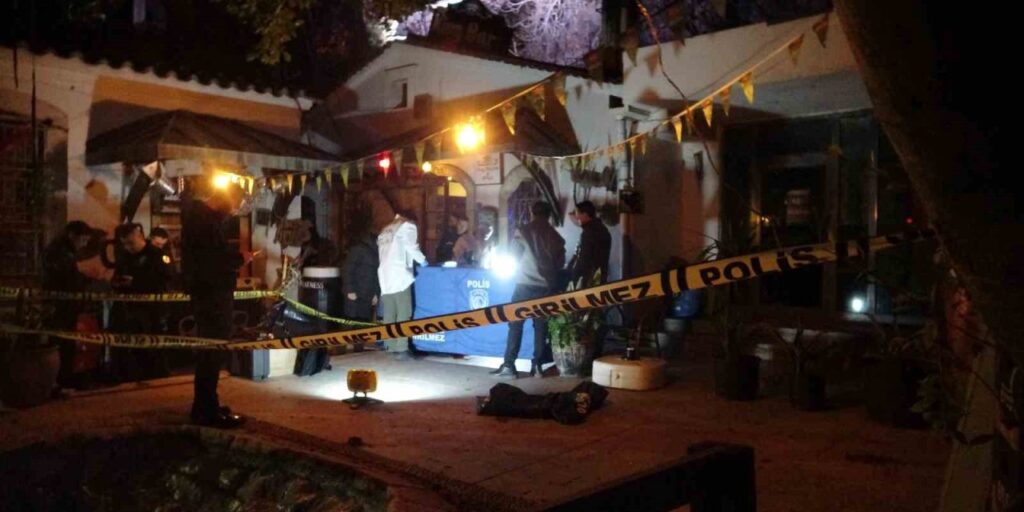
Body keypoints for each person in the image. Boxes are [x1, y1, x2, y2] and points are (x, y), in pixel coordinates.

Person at [181, 178, 248, 428]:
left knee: (212, 352)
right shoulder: (204, 222)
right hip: (211, 294)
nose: (234, 211)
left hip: (209, 292)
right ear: (223, 198)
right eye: (235, 204)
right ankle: (206, 411)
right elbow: (213, 261)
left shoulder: (201, 219)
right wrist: (239, 259)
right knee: (212, 351)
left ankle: (206, 405)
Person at [491, 201, 565, 379]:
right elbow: (560, 263)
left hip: (524, 285)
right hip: (545, 287)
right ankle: (537, 366)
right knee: (541, 327)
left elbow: (513, 255)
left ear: (532, 213)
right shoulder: (556, 236)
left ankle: (509, 366)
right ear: (549, 215)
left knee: (515, 325)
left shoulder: (523, 231)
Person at [111, 223, 172, 381]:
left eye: (131, 243)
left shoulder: (157, 255)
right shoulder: (125, 257)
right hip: (131, 309)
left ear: (140, 236)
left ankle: (158, 375)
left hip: (153, 310)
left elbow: (166, 278)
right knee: (134, 347)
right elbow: (117, 276)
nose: (128, 247)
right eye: (125, 244)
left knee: (154, 345)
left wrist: (136, 282)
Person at [42, 220, 93, 391]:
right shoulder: (60, 253)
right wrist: (85, 281)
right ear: (72, 235)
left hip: (62, 305)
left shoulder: (61, 251)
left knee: (64, 342)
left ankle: (62, 379)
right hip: (61, 306)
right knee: (62, 343)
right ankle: (61, 380)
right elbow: (68, 279)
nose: (84, 244)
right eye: (83, 240)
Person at [377, 209, 427, 359]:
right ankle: (402, 348)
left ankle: (390, 345)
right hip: (400, 276)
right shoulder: (407, 225)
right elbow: (411, 247)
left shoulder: (385, 229)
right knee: (404, 312)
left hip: (385, 277)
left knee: (389, 313)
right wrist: (423, 260)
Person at [568, 200, 612, 287]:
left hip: (588, 279)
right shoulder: (601, 229)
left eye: (577, 214)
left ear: (585, 214)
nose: (576, 217)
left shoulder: (590, 232)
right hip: (598, 277)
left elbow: (584, 259)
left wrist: (574, 276)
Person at [342, 228, 380, 322]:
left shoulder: (376, 252)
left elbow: (376, 275)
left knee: (363, 322)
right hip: (356, 294)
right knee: (352, 322)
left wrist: (376, 293)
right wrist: (350, 290)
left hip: (367, 295)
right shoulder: (359, 248)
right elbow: (348, 269)